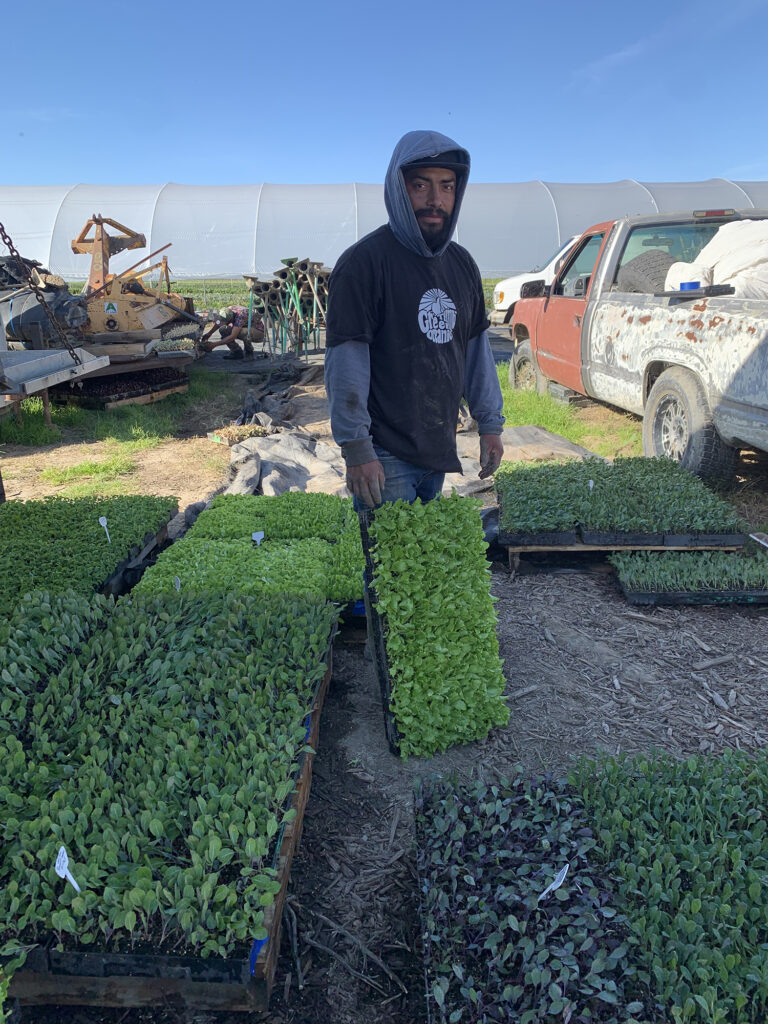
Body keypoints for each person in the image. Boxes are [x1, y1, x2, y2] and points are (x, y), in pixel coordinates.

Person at [324, 129, 505, 509]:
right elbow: (347, 364)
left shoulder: (462, 266)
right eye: (420, 185)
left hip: (437, 449)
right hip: (383, 456)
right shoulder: (364, 264)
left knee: (418, 562)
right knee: (387, 564)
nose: (436, 200)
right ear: (397, 187)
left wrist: (489, 425)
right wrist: (357, 449)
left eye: (447, 186)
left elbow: (476, 353)